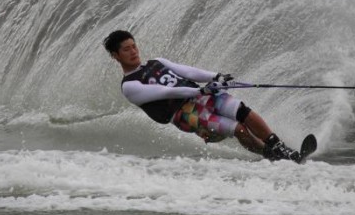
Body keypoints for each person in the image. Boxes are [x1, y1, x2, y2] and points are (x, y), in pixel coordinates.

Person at [103, 29, 303, 161]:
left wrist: (216, 76)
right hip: (184, 114)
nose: (133, 52)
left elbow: (188, 72)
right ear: (115, 56)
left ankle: (280, 147)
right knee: (239, 129)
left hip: (200, 96)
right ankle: (270, 155)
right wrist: (200, 90)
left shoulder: (157, 62)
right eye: (126, 49)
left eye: (134, 46)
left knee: (243, 112)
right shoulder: (129, 86)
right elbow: (166, 92)